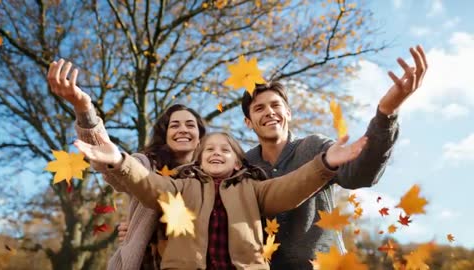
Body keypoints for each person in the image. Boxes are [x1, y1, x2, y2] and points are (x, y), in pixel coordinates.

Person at [240, 45, 428, 269]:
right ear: (248, 122)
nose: (269, 112)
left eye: (275, 105)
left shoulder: (314, 147)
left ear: (288, 113)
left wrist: (386, 113)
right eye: (259, 108)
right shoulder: (243, 166)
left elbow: (359, 175)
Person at [73, 130, 367, 269]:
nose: (216, 153)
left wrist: (325, 163)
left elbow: (290, 187)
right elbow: (147, 184)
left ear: (238, 163)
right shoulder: (180, 187)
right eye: (209, 150)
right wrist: (119, 160)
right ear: (199, 161)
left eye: (225, 150)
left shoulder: (253, 188)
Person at [47, 59, 207, 270]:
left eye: (190, 125)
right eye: (174, 125)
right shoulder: (145, 164)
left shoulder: (211, 174)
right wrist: (83, 108)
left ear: (199, 136)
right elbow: (109, 160)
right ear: (165, 135)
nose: (183, 130)